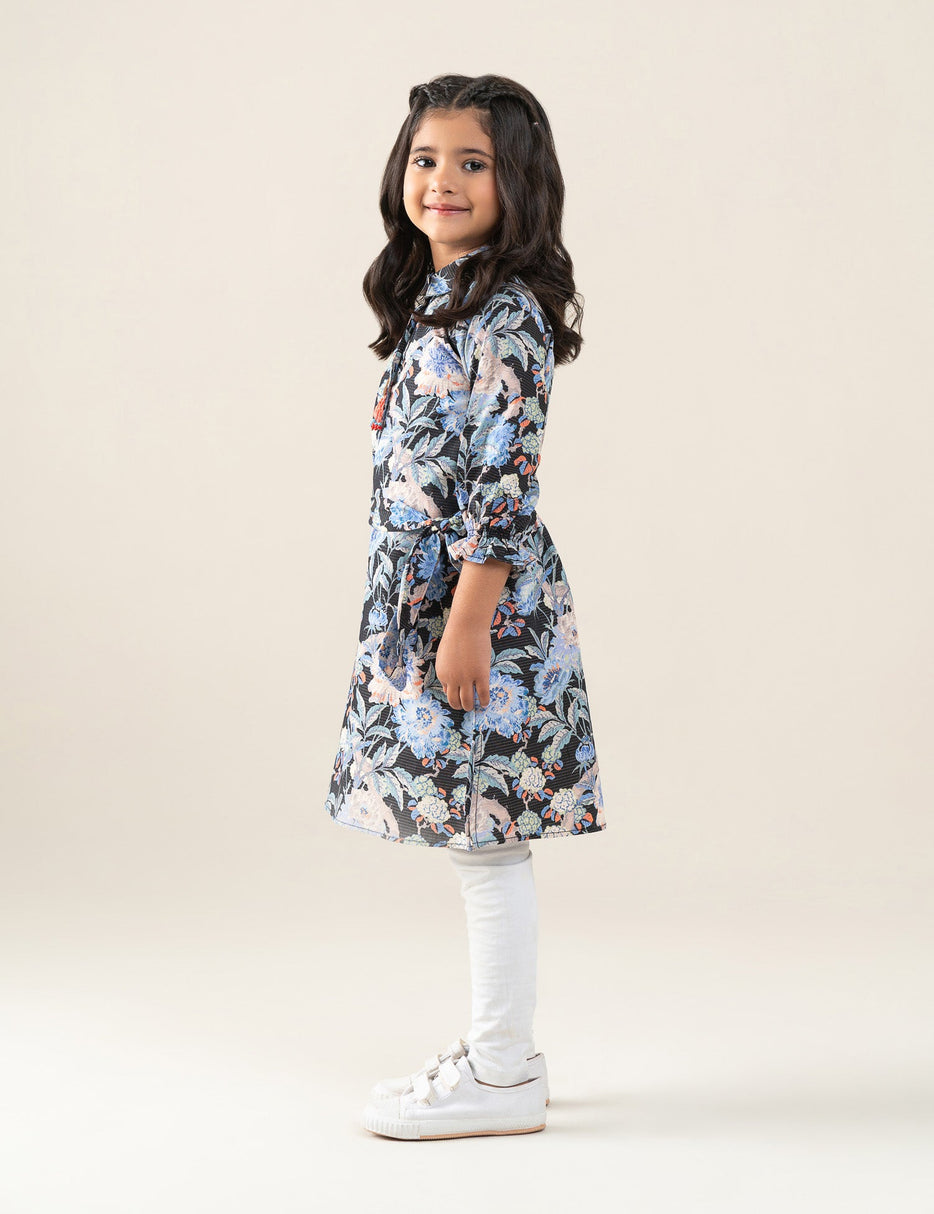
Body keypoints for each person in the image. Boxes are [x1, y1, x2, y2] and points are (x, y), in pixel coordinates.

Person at [324, 73, 608, 1140]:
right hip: (434, 604)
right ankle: (506, 1055)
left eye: (471, 163)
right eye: (425, 159)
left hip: (478, 610)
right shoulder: (441, 300)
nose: (440, 180)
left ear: (516, 183)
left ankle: (499, 1073)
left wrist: (467, 625)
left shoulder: (506, 315)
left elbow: (503, 486)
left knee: (486, 843)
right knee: (472, 836)